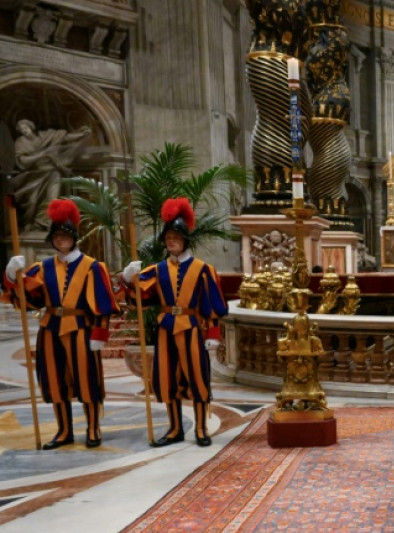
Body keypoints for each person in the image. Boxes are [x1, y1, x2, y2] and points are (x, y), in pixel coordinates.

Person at [2, 199, 118, 449]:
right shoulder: (42, 268)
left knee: (88, 380)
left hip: (82, 329)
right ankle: (64, 430)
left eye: (65, 235)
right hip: (50, 329)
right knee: (54, 381)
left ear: (73, 236)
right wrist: (12, 276)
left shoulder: (93, 267)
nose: (61, 240)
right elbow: (29, 301)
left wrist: (99, 333)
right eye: (56, 236)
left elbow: (104, 303)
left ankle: (93, 428)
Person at [120, 198, 228, 447]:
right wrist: (128, 278)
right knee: (166, 379)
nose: (171, 241)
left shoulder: (203, 269)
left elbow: (213, 302)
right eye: (167, 237)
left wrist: (212, 332)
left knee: (197, 377)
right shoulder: (157, 270)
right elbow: (141, 296)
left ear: (185, 239)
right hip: (166, 329)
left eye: (175, 236)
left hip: (191, 328)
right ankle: (174, 428)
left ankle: (201, 428)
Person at [9, 119, 92, 231]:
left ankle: (47, 222)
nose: (25, 131)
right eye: (22, 130)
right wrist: (41, 155)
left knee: (53, 198)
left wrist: (80, 134)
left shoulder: (45, 136)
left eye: (26, 128)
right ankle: (30, 223)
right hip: (34, 175)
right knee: (32, 201)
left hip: (52, 172)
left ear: (31, 127)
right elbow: (23, 161)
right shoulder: (20, 143)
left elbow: (65, 138)